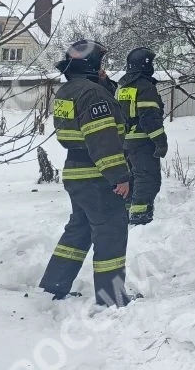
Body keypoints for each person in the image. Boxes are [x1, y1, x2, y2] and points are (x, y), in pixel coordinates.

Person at [39, 40, 133, 307]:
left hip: (77, 172)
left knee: (79, 231)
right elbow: (102, 139)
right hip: (98, 176)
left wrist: (102, 84)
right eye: (100, 62)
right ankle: (111, 297)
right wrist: (119, 176)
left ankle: (54, 285)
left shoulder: (69, 90)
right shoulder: (92, 94)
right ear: (92, 64)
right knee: (111, 232)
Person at [115, 47, 168, 225]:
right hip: (142, 143)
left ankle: (127, 213)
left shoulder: (123, 88)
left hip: (125, 143)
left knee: (131, 179)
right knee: (147, 179)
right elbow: (150, 119)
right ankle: (140, 218)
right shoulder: (145, 87)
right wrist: (161, 142)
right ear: (145, 65)